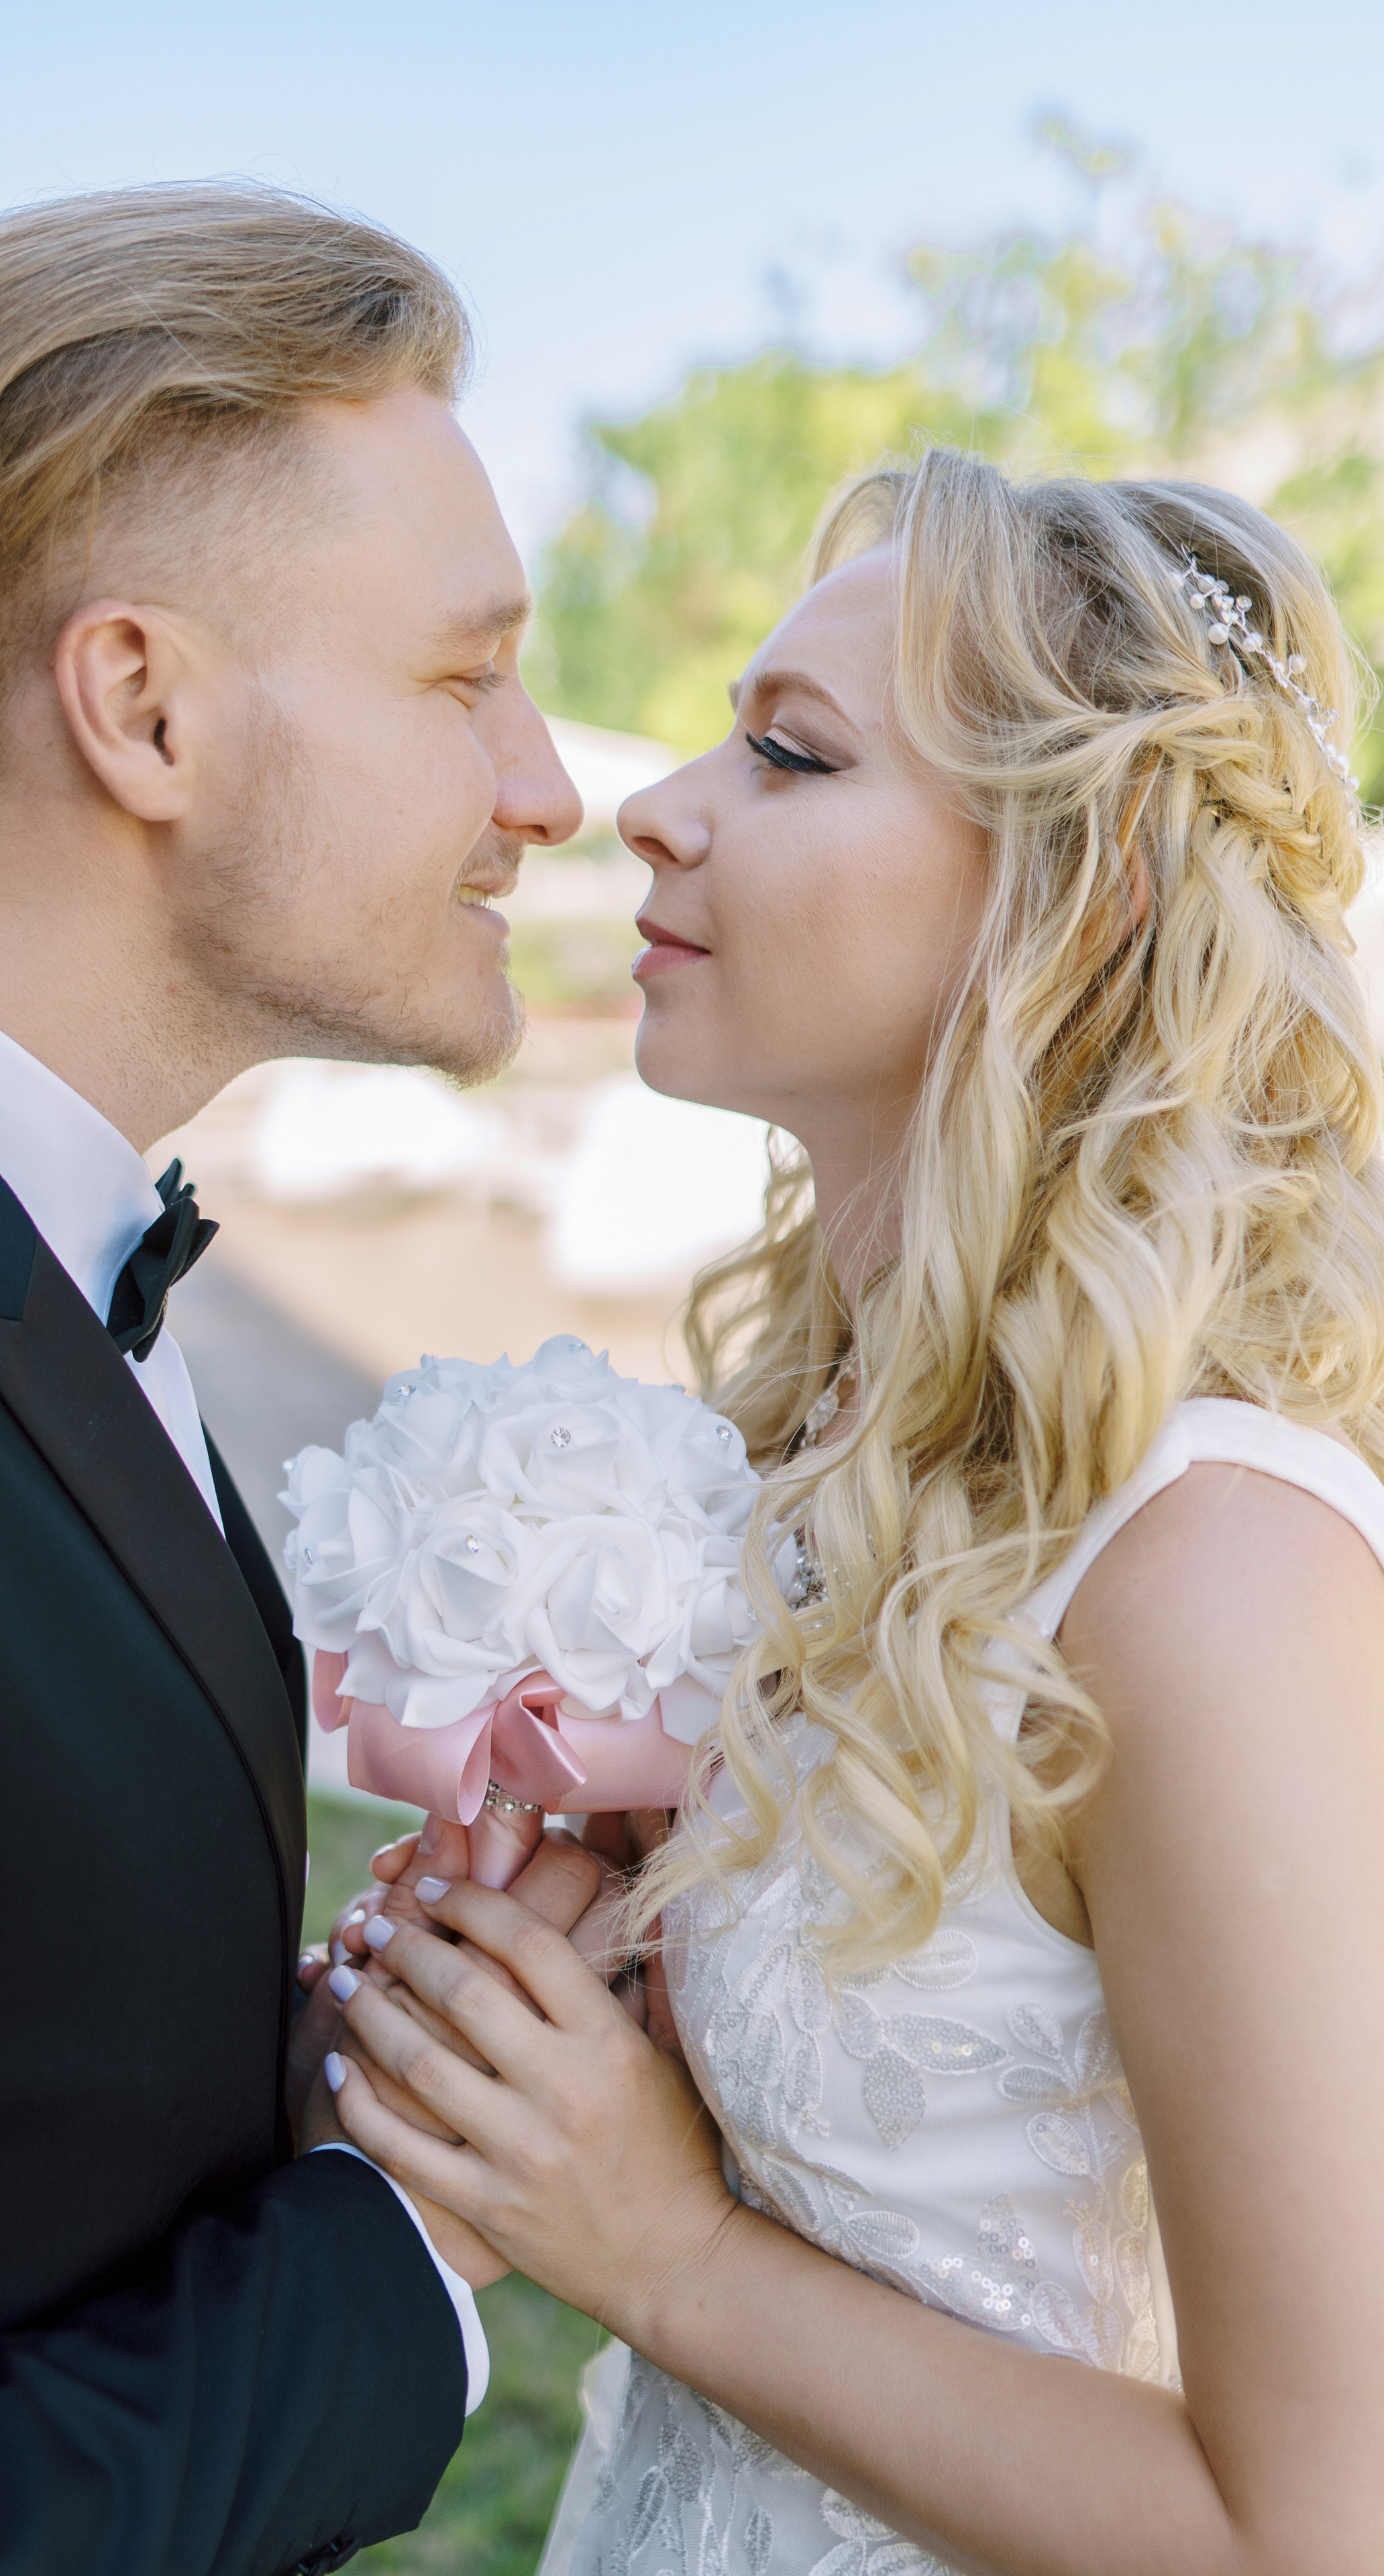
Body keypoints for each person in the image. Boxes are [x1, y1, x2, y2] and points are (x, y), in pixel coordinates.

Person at [324, 450, 1384, 2574]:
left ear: (1082, 892)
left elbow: (1316, 2532)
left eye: (792, 756)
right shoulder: (839, 1455)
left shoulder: (1219, 1569)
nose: (653, 808)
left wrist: (667, 2253)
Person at [0, 184, 592, 2576]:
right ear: (145, 709)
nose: (546, 789)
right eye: (465, 679)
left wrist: (280, 2084)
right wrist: (408, 2229)